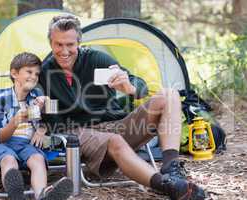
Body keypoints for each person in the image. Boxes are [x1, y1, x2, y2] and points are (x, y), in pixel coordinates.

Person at [39, 15, 205, 200]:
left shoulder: (96, 59)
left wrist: (130, 87)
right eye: (58, 45)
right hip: (77, 132)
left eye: (70, 44)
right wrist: (46, 112)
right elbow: (47, 115)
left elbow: (139, 85)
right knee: (114, 140)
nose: (64, 51)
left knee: (170, 96)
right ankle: (167, 185)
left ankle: (171, 168)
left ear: (79, 42)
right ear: (51, 43)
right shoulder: (44, 73)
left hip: (117, 124)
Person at [0, 52, 73, 200]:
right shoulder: (0, 99)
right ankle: (16, 195)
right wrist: (16, 120)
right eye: (29, 72)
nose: (34, 77)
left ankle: (42, 195)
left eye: (37, 74)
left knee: (37, 159)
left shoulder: (37, 95)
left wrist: (43, 125)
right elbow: (0, 137)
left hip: (27, 143)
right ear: (14, 73)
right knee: (8, 160)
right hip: (1, 143)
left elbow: (58, 120)